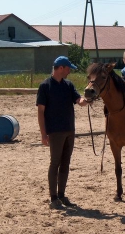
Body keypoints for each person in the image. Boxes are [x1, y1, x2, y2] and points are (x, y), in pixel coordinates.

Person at [36, 56, 89, 210]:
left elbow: (78, 100)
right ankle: (53, 198)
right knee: (55, 163)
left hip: (69, 130)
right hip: (55, 132)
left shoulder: (68, 85)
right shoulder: (45, 86)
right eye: (68, 69)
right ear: (61, 68)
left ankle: (61, 195)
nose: (69, 72)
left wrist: (87, 100)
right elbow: (41, 112)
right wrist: (43, 133)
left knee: (65, 163)